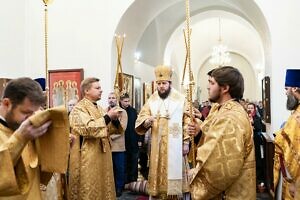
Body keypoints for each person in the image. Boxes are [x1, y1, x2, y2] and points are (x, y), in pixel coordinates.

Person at [188, 66, 256, 199]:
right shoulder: (224, 110)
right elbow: (212, 140)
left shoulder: (230, 118)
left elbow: (221, 165)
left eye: (212, 83)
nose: (208, 87)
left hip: (230, 193)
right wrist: (199, 134)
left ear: (225, 88)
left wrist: (196, 175)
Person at [135, 65, 190, 199]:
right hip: (157, 145)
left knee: (176, 172)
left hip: (175, 145)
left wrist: (186, 142)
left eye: (164, 83)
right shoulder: (152, 99)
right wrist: (147, 121)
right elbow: (142, 117)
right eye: (158, 84)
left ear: (170, 83)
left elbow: (188, 120)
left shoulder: (180, 99)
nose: (161, 86)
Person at [0, 77, 52, 199]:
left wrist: (54, 146)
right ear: (6, 103)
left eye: (34, 113)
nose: (31, 119)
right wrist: (20, 138)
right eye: (26, 113)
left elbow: (41, 178)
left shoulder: (28, 130)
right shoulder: (24, 133)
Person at [68, 77, 120, 200]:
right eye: (97, 88)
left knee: (103, 185)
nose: (101, 90)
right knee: (90, 187)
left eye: (100, 88)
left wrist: (115, 120)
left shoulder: (99, 108)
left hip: (102, 155)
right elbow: (88, 129)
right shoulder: (79, 108)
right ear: (86, 91)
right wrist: (108, 117)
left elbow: (109, 130)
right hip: (88, 157)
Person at [273, 69, 300, 199]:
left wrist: (294, 182)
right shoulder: (295, 113)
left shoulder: (297, 117)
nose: (285, 93)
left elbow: (294, 153)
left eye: (286, 88)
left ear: (295, 88)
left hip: (294, 181)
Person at [105, 92, 128, 197]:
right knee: (109, 168)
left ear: (117, 99)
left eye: (113, 98)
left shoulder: (122, 112)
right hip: (107, 146)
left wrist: (109, 136)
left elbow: (122, 129)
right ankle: (110, 187)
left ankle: (119, 188)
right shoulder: (105, 111)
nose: (111, 100)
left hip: (118, 146)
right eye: (109, 98)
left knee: (119, 168)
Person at [119, 93, 143, 184]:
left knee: (134, 162)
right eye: (125, 101)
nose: (127, 103)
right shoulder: (118, 111)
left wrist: (140, 139)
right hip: (122, 142)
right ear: (121, 101)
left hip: (134, 141)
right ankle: (124, 183)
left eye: (128, 101)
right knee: (124, 163)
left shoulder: (133, 111)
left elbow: (138, 125)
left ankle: (133, 181)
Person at [247, 102, 266, 189]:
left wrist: (253, 122)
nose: (250, 109)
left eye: (251, 108)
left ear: (254, 109)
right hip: (247, 143)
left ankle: (258, 181)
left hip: (256, 142)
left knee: (257, 159)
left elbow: (258, 127)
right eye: (248, 108)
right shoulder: (244, 118)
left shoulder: (257, 118)